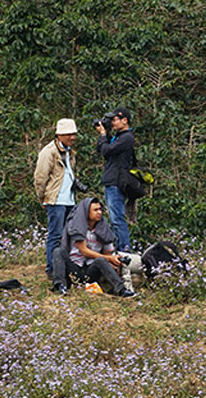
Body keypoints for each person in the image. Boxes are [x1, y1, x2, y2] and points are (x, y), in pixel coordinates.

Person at [51, 197, 135, 297]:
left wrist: (114, 261)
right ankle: (61, 286)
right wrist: (109, 258)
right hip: (75, 267)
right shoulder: (75, 225)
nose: (99, 212)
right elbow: (84, 251)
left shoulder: (104, 228)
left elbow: (107, 253)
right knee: (58, 251)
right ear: (87, 212)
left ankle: (121, 290)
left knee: (101, 260)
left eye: (100, 209)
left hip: (91, 271)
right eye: (95, 210)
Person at [34, 118, 80, 277]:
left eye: (73, 134)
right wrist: (42, 198)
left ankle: (64, 267)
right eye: (69, 134)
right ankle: (52, 269)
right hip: (56, 199)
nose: (72, 138)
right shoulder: (49, 152)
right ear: (59, 134)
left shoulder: (69, 152)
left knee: (68, 236)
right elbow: (40, 178)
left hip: (69, 199)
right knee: (55, 235)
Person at [96, 106, 134, 252]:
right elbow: (101, 150)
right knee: (114, 218)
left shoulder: (126, 138)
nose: (112, 122)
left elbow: (106, 149)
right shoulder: (118, 137)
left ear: (125, 120)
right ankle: (119, 249)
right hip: (111, 181)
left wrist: (104, 135)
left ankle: (124, 251)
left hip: (117, 182)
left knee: (117, 219)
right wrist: (104, 135)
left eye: (114, 119)